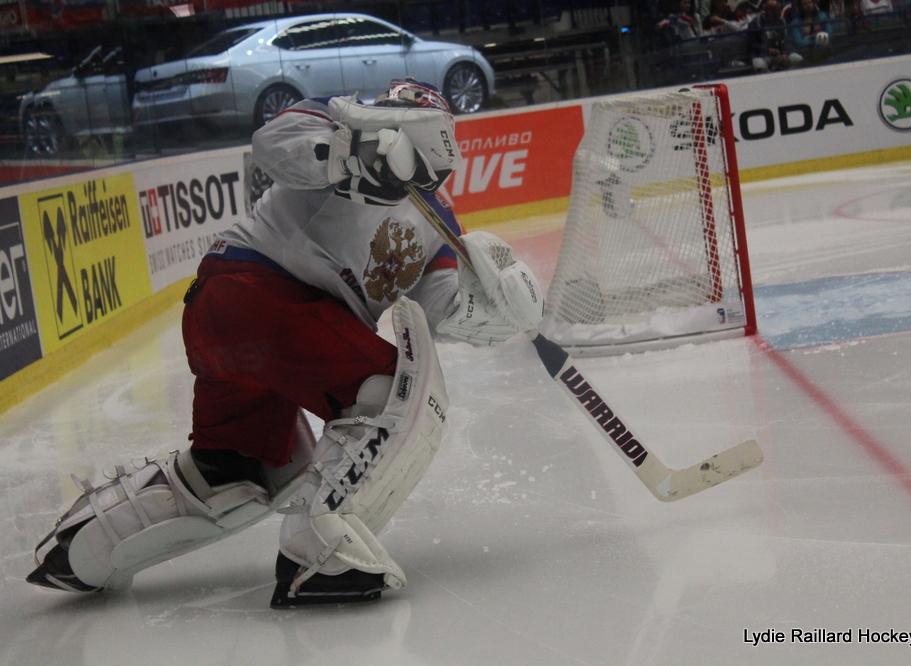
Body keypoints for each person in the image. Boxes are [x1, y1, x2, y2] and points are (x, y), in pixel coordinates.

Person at [26, 79, 544, 608]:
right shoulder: (343, 121)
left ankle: (85, 550)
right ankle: (319, 557)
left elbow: (439, 308)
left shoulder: (440, 221)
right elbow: (275, 142)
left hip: (249, 328)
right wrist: (356, 151)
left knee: (238, 470)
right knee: (392, 393)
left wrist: (492, 309)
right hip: (256, 298)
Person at [749, 0, 804, 71]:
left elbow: (788, 40)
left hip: (780, 54)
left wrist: (785, 53)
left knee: (797, 58)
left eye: (779, 9)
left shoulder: (782, 21)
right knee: (760, 65)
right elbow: (753, 45)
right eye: (775, 10)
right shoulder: (756, 23)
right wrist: (767, 50)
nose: (779, 12)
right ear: (767, 10)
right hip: (763, 55)